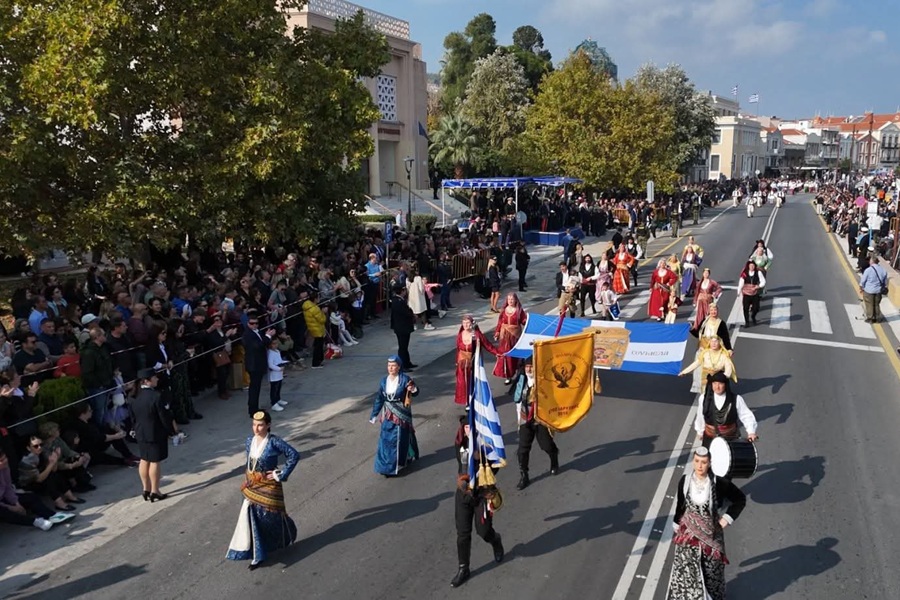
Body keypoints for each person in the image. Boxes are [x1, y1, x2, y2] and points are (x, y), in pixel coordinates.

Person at [667, 446, 746, 600]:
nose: (700, 465)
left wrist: (726, 519)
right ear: (693, 462)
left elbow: (740, 499)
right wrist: (677, 526)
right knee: (687, 577)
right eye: (697, 461)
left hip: (711, 538)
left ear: (709, 463)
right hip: (688, 537)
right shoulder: (685, 481)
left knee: (712, 576)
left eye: (704, 462)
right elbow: (680, 507)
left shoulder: (719, 483)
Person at [226, 410, 300, 570]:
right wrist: (248, 479)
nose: (256, 428)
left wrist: (279, 473)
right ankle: (257, 554)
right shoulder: (249, 441)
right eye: (254, 424)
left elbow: (294, 455)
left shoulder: (274, 442)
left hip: (269, 486)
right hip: (252, 485)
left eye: (260, 425)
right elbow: (249, 463)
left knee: (270, 518)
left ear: (268, 425)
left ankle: (287, 532)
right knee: (251, 518)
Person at [450, 416, 504, 588]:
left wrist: (482, 457)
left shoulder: (486, 444)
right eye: (465, 427)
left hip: (482, 494)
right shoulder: (460, 442)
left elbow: (497, 464)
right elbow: (462, 465)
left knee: (484, 531)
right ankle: (463, 568)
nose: (467, 430)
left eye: (470, 427)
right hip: (464, 494)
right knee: (462, 535)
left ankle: (495, 540)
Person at [512, 358, 559, 490]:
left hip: (540, 420)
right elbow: (517, 400)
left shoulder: (543, 380)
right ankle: (524, 475)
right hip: (524, 418)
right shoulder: (522, 380)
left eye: (531, 367)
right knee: (522, 450)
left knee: (546, 445)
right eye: (527, 366)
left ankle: (554, 458)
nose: (529, 369)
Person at [0, 449, 75, 531]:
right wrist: (11, 508)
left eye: (5, 458)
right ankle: (36, 522)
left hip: (3, 496)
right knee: (5, 512)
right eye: (1, 461)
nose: (4, 462)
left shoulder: (4, 467)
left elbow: (8, 487)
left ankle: (52, 516)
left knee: (31, 497)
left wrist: (16, 503)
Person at [368, 356, 419, 476]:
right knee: (386, 439)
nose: (390, 368)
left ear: (399, 367)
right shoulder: (383, 381)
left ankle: (403, 459)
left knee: (400, 438)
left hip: (401, 414)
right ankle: (386, 467)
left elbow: (416, 392)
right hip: (387, 414)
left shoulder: (405, 379)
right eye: (389, 366)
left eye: (393, 365)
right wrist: (374, 414)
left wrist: (413, 389)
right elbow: (380, 398)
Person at [132, 368, 176, 502]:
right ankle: (155, 490)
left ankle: (146, 488)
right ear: (147, 381)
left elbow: (133, 418)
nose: (157, 379)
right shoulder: (156, 396)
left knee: (144, 459)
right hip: (155, 433)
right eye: (154, 377)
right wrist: (171, 431)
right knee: (155, 461)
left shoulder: (135, 398)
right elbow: (163, 417)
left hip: (141, 433)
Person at [694, 371, 758, 448]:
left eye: (720, 384)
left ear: (726, 385)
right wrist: (700, 431)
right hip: (710, 439)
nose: (717, 387)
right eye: (714, 383)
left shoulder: (736, 399)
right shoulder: (704, 399)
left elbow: (746, 416)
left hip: (730, 438)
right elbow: (700, 415)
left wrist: (751, 432)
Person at [453, 315, 498, 406]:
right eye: (464, 323)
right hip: (462, 364)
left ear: (472, 324)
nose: (466, 325)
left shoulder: (477, 335)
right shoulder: (460, 335)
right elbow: (458, 349)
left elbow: (488, 345)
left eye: (468, 323)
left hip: (473, 363)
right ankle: (467, 402)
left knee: (473, 382)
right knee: (463, 383)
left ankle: (475, 400)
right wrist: (457, 362)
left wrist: (497, 353)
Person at [242, 316, 275, 415]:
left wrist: (267, 336)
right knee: (254, 388)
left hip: (259, 363)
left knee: (256, 387)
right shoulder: (247, 334)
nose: (255, 325)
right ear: (248, 324)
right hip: (254, 365)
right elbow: (258, 345)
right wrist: (268, 336)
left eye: (256, 323)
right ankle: (253, 410)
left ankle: (254, 407)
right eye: (252, 323)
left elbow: (263, 342)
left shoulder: (258, 332)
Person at [493, 293, 526, 384]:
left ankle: (519, 371)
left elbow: (523, 321)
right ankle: (508, 375)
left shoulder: (519, 310)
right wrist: (497, 332)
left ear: (515, 300)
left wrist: (528, 322)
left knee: (515, 354)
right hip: (505, 337)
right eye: (509, 299)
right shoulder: (504, 310)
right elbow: (500, 322)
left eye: (512, 299)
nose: (510, 301)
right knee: (506, 355)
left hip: (515, 336)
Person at [390, 285, 417, 371]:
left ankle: (407, 362)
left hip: (403, 326)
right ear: (401, 291)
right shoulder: (397, 301)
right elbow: (404, 312)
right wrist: (412, 315)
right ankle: (402, 366)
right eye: (404, 290)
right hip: (401, 327)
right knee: (402, 347)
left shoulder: (400, 300)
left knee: (405, 346)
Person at [859, 254, 888, 323]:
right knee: (876, 304)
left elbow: (863, 281)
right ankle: (878, 318)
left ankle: (870, 318)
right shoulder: (883, 270)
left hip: (869, 290)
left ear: (872, 261)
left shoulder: (868, 270)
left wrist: (861, 287)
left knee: (869, 304)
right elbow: (884, 282)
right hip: (878, 290)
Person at [738, 261, 766, 327]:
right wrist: (738, 292)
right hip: (746, 293)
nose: (752, 267)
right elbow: (741, 283)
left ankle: (753, 317)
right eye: (750, 266)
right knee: (745, 308)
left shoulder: (758, 273)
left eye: (753, 266)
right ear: (748, 266)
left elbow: (763, 281)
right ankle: (747, 322)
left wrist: (758, 286)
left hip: (755, 293)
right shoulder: (744, 273)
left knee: (756, 308)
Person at [267, 337, 289, 412]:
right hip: (274, 374)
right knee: (274, 388)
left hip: (279, 373)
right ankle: (273, 403)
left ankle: (278, 399)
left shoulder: (277, 351)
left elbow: (279, 360)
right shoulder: (270, 353)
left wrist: (284, 363)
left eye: (276, 343)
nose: (276, 345)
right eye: (274, 344)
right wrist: (279, 368)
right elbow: (270, 364)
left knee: (279, 386)